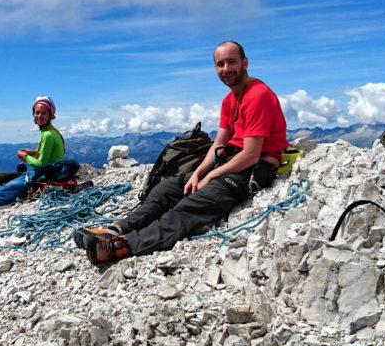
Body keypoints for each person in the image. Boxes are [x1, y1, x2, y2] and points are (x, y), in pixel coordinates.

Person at [75, 41, 288, 264]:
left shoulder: (257, 95)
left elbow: (251, 154)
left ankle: (121, 246)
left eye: (231, 62)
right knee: (165, 190)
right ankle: (116, 229)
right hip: (231, 160)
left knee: (188, 207)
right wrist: (198, 174)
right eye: (220, 64)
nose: (226, 69)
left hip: (252, 168)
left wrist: (212, 176)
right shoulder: (229, 100)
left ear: (245, 63)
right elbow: (218, 144)